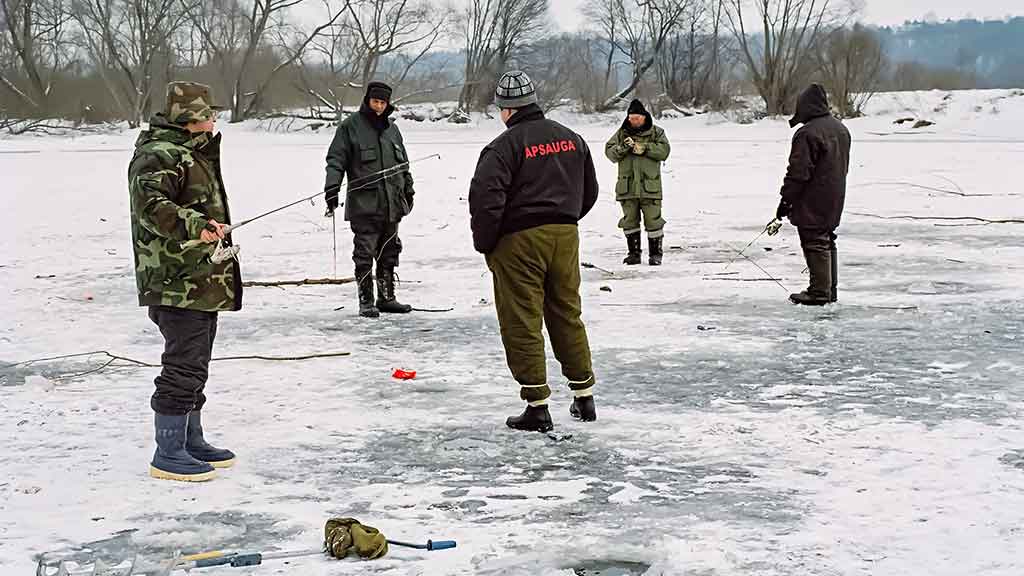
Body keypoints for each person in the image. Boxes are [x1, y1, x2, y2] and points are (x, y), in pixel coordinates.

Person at [468, 70, 600, 432]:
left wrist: (488, 244)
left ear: (506, 110)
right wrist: (564, 218)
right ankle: (584, 396)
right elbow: (589, 190)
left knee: (522, 319)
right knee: (566, 313)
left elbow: (485, 199)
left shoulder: (503, 146)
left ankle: (537, 405)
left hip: (519, 241)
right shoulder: (571, 138)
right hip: (565, 235)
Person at [128, 81, 241, 482]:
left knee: (196, 363)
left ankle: (192, 440)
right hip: (176, 280)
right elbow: (152, 207)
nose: (214, 121)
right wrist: (197, 225)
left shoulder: (192, 153)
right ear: (188, 119)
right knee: (182, 364)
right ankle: (168, 450)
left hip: (201, 278)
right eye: (208, 115)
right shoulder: (158, 155)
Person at [324, 82, 416, 318]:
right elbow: (336, 160)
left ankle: (386, 298)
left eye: (383, 103)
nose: (378, 106)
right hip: (365, 204)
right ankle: (366, 300)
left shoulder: (393, 130)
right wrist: (332, 188)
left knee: (389, 251)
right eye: (375, 101)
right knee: (364, 253)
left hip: (392, 203)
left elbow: (403, 164)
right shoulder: (350, 127)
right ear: (367, 100)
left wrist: (408, 189)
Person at [775, 83, 851, 306]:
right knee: (827, 239)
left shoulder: (807, 133)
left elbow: (798, 172)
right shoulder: (840, 129)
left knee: (815, 241)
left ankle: (819, 292)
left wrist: (786, 199)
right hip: (835, 195)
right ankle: (829, 290)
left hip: (813, 198)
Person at [605, 99, 671, 265]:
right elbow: (610, 152)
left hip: (650, 186)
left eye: (637, 118)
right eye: (631, 118)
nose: (633, 121)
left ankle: (655, 255)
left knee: (654, 221)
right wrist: (623, 148)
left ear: (644, 117)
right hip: (627, 187)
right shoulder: (621, 133)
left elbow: (664, 151)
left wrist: (644, 148)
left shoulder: (657, 132)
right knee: (630, 221)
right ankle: (634, 254)